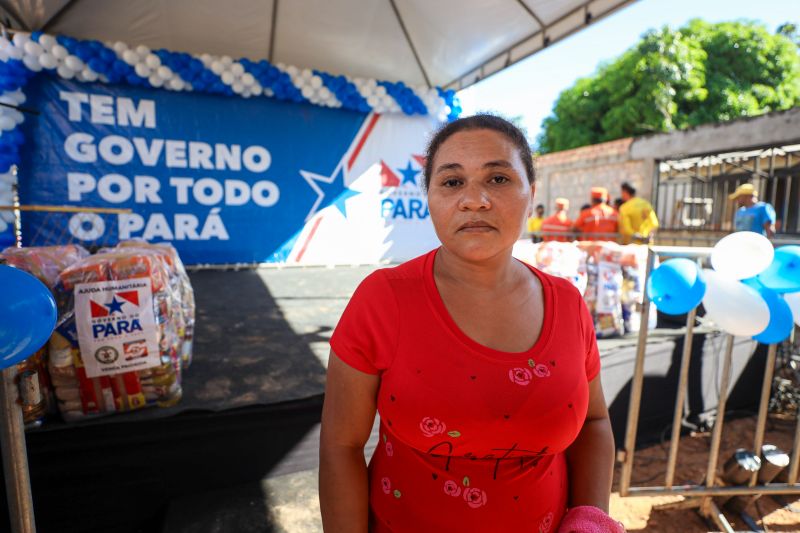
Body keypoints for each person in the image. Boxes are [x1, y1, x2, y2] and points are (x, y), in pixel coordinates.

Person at [319, 115, 617, 532]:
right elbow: (341, 446)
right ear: (429, 197)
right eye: (452, 182)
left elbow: (594, 423)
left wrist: (589, 520)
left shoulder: (568, 304)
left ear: (531, 193)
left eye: (497, 178)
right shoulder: (383, 299)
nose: (474, 200)